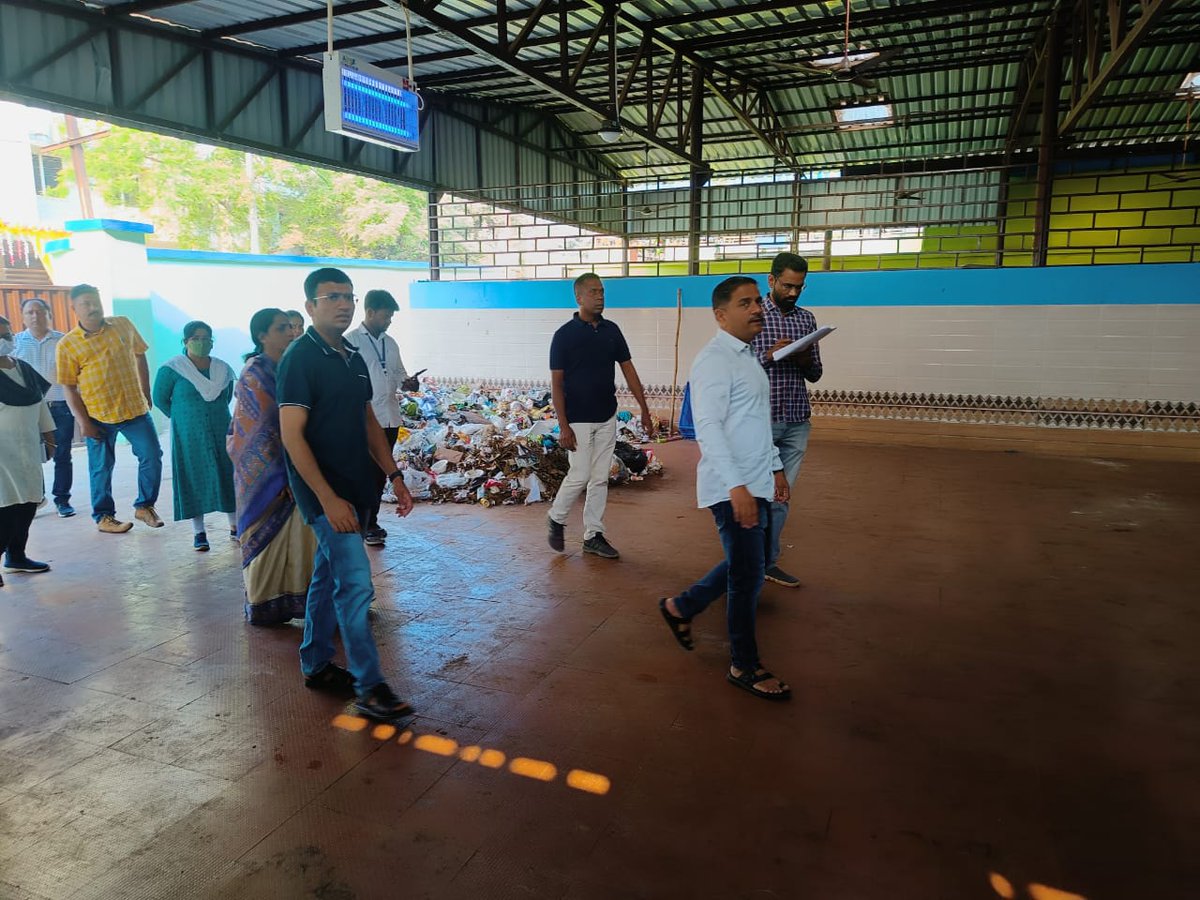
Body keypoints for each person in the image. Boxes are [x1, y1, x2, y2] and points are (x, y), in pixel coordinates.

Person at [277, 267, 416, 720]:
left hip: (355, 486)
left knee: (326, 576)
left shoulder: (352, 356)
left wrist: (394, 474)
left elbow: (367, 419)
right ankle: (370, 685)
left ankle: (316, 663)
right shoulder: (300, 359)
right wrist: (327, 499)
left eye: (348, 297)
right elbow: (292, 436)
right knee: (355, 584)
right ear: (310, 306)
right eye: (332, 297)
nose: (343, 304)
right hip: (324, 494)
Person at [658, 276, 792, 701]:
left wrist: (775, 468)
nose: (757, 309)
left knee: (749, 564)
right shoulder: (714, 360)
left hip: (756, 480)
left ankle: (682, 606)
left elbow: (755, 422)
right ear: (720, 315)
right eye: (745, 303)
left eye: (757, 302)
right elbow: (708, 428)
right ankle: (744, 664)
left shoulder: (748, 357)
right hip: (731, 486)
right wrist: (736, 487)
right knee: (748, 576)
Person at [546, 273, 652, 560]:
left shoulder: (611, 331)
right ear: (579, 297)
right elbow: (556, 385)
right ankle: (556, 517)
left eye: (602, 291)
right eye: (593, 292)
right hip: (577, 419)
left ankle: (593, 535)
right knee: (580, 474)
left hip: (606, 415)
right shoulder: (564, 336)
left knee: (600, 478)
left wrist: (644, 409)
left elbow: (629, 370)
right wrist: (563, 426)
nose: (600, 296)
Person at [227, 308, 317, 625]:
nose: (291, 332)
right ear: (262, 335)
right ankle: (265, 603)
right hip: (262, 468)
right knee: (267, 536)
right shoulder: (255, 372)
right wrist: (286, 472)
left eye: (292, 327)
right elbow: (265, 426)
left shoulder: (291, 366)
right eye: (282, 328)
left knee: (299, 536)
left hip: (294, 460)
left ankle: (297, 598)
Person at [55, 283, 164, 534]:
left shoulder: (123, 324)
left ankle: (145, 506)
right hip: (98, 415)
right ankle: (104, 517)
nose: (93, 307)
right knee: (101, 468)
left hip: (134, 409)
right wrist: (84, 422)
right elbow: (69, 388)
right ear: (74, 309)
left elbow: (140, 354)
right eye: (86, 304)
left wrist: (145, 390)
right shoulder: (68, 345)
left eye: (96, 301)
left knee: (152, 456)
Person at [751, 252, 823, 589]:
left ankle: (768, 562)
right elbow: (736, 367)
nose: (793, 292)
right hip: (761, 420)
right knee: (757, 495)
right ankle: (748, 559)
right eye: (787, 285)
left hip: (795, 420)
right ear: (771, 280)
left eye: (799, 287)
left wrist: (805, 357)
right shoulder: (753, 316)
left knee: (780, 498)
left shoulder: (806, 320)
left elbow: (816, 374)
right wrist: (768, 355)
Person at [152, 321, 237, 551]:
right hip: (189, 434)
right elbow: (160, 399)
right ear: (185, 341)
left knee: (226, 474)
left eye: (206, 338)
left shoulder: (222, 369)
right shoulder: (172, 369)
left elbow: (226, 397)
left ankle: (235, 527)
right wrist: (182, 417)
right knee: (192, 476)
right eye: (196, 338)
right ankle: (199, 533)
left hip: (220, 429)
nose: (201, 342)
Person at [347, 289, 420, 547]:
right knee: (364, 472)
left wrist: (409, 383)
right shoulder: (350, 341)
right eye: (386, 316)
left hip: (389, 417)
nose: (389, 321)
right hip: (364, 419)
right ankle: (360, 522)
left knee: (380, 474)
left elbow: (399, 374)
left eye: (391, 317)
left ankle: (371, 522)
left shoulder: (390, 343)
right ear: (370, 312)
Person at [0, 315, 55, 585]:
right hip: (2, 456)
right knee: (6, 507)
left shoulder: (23, 367)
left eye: (6, 335)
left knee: (29, 503)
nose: (4, 340)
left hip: (28, 449)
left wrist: (49, 437)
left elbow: (39, 403)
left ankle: (16, 556)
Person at [13, 297, 76, 518]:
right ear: (23, 317)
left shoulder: (64, 341)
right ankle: (36, 498)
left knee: (62, 454)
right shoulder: (15, 343)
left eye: (39, 312)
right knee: (29, 455)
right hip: (28, 409)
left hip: (60, 406)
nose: (35, 316)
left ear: (49, 314)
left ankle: (62, 500)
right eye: (29, 312)